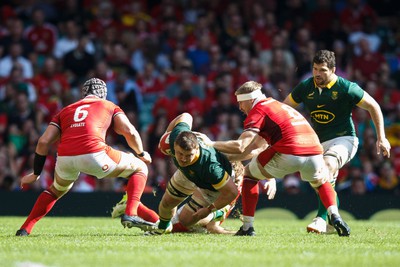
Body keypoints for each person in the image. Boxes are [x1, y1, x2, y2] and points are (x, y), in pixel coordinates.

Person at [16, 78, 156, 236]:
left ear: (84, 94)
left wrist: (36, 173)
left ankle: (25, 228)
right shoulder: (109, 105)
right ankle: (131, 213)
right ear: (103, 94)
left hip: (65, 158)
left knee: (56, 190)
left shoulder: (65, 110)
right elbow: (129, 131)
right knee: (140, 167)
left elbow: (43, 141)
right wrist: (141, 153)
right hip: (94, 154)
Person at [208, 81, 350, 237]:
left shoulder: (258, 111)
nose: (240, 108)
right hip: (315, 150)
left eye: (241, 103)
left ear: (250, 100)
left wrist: (210, 144)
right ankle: (334, 215)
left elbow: (242, 146)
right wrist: (229, 158)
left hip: (291, 150)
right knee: (322, 182)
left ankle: (248, 227)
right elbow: (255, 148)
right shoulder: (278, 106)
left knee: (249, 175)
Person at [283, 49, 391, 234]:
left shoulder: (346, 87)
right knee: (323, 184)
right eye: (315, 68)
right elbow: (284, 109)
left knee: (327, 166)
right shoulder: (305, 87)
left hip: (344, 139)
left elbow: (373, 106)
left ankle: (320, 218)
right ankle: (334, 221)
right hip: (317, 143)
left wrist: (381, 137)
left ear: (333, 70)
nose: (317, 73)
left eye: (323, 70)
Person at [145, 112, 248, 235]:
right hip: (186, 172)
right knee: (166, 203)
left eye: (189, 155)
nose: (183, 159)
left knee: (186, 220)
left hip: (211, 185)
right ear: (174, 146)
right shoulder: (175, 137)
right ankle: (162, 229)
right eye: (179, 154)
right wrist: (166, 134)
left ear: (197, 149)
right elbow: (186, 116)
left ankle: (218, 212)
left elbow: (232, 192)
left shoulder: (211, 167)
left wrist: (209, 209)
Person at [110, 161, 245, 234]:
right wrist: (235, 233)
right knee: (164, 227)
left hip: (192, 218)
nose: (237, 186)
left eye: (239, 182)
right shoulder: (219, 187)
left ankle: (134, 206)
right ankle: (134, 206)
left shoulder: (236, 184)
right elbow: (212, 227)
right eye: (236, 182)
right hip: (187, 219)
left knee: (164, 224)